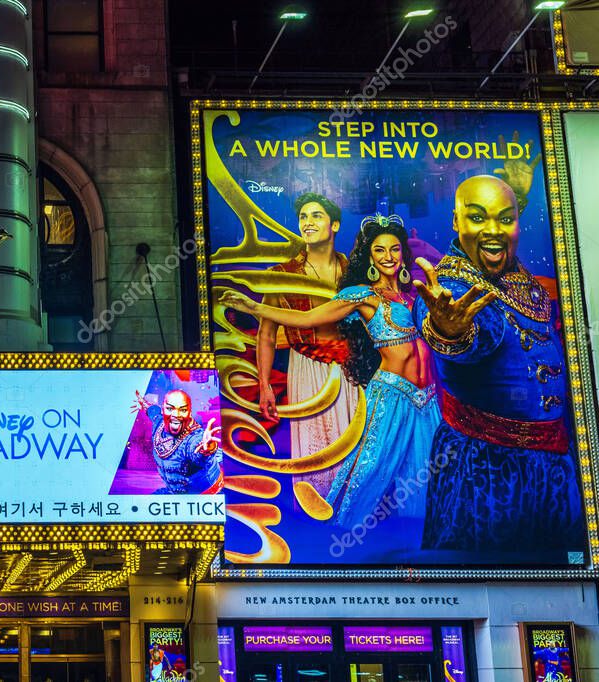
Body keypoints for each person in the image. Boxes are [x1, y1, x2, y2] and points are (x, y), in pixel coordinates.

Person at [221, 215, 440, 539]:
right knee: (369, 471)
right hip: (392, 395)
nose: (388, 256)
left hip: (427, 399)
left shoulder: (414, 295)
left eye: (394, 249)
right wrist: (255, 308)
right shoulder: (363, 295)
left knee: (426, 475)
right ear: (370, 258)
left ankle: (419, 546)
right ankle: (345, 541)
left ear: (403, 255)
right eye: (379, 250)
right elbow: (308, 318)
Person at [412, 174, 585, 556]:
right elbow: (471, 334)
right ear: (456, 221)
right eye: (477, 217)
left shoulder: (521, 278)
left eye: (505, 218)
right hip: (483, 473)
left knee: (559, 576)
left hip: (553, 468)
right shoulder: (453, 287)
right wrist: (450, 330)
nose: (493, 230)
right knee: (487, 576)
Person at [250, 192, 360, 495]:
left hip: (353, 369)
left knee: (356, 446)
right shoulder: (282, 274)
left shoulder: (355, 271)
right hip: (307, 367)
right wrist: (264, 385)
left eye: (316, 216)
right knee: (317, 448)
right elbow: (266, 334)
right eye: (303, 217)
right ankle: (316, 509)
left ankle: (353, 510)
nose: (307, 222)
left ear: (334, 225)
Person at [133, 389, 223, 494]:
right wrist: (143, 403)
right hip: (175, 494)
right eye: (170, 408)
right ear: (163, 410)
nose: (176, 414)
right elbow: (153, 411)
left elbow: (197, 449)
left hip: (208, 496)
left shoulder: (193, 437)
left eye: (183, 410)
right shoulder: (158, 422)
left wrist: (207, 448)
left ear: (189, 412)